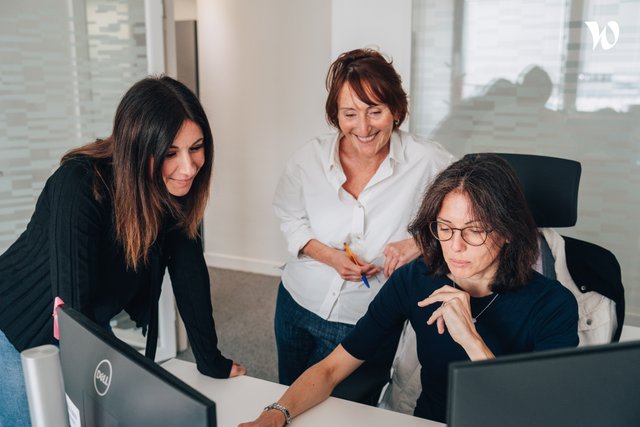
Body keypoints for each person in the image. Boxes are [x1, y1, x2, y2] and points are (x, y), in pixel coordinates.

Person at [242, 154, 578, 426]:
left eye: (473, 231)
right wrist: (275, 415)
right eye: (445, 228)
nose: (455, 246)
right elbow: (333, 368)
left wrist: (471, 340)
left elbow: (540, 414)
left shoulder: (553, 304)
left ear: (507, 231)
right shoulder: (416, 279)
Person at [0, 76, 245, 426]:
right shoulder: (81, 185)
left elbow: (189, 272)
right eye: (170, 152)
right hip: (15, 324)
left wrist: (210, 361)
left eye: (196, 147)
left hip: (84, 318)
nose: (189, 167)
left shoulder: (169, 189)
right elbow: (71, 312)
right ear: (137, 148)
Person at [272, 48, 454, 396]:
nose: (364, 127)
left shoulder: (428, 160)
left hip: (365, 319)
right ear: (335, 116)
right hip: (296, 302)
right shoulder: (307, 159)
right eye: (350, 114)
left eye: (375, 111)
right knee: (289, 394)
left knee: (346, 413)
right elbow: (290, 218)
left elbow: (469, 213)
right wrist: (329, 256)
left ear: (396, 110)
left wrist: (418, 243)